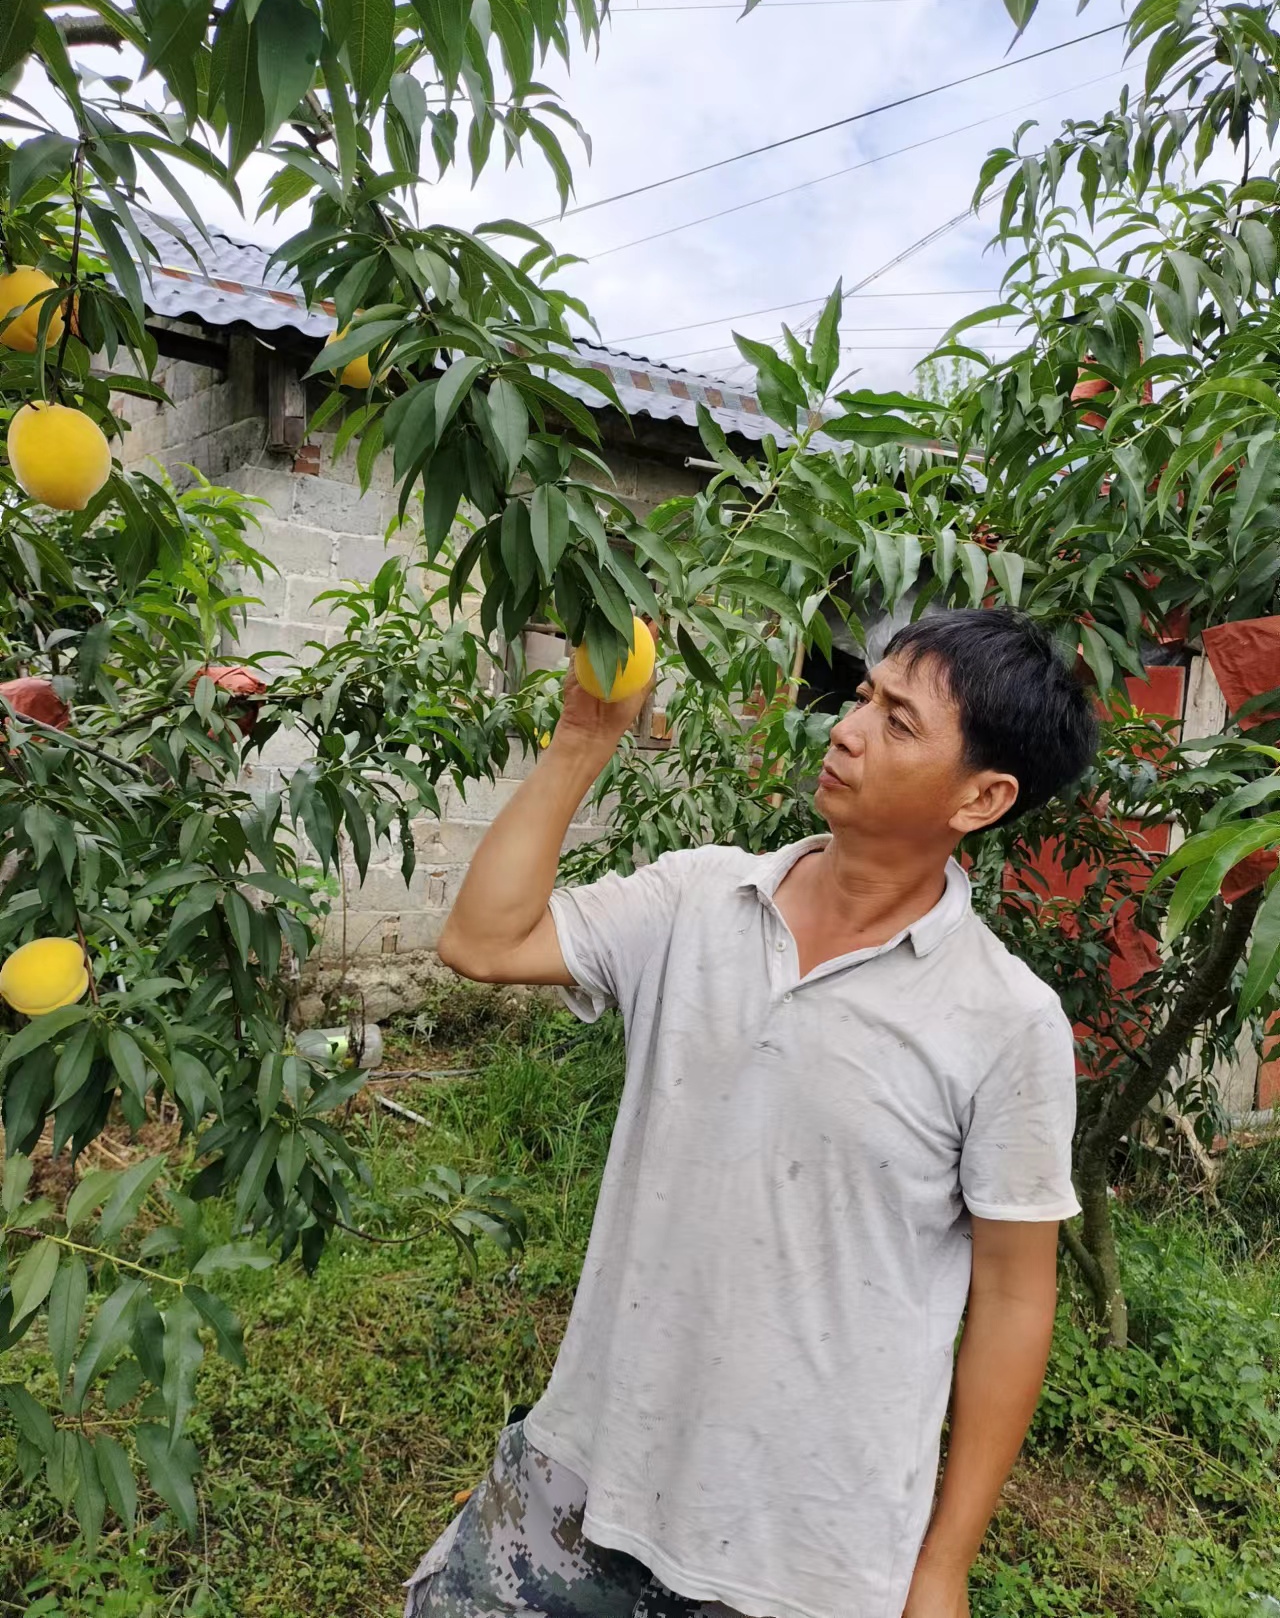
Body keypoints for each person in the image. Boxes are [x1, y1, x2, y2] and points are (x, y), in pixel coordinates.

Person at [404, 607, 1098, 1618]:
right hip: (583, 1471)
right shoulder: (698, 899)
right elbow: (481, 938)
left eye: (898, 722)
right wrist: (581, 743)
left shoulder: (1002, 1020)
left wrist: (942, 1563)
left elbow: (1011, 1298)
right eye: (862, 694)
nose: (847, 728)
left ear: (982, 795)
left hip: (798, 1551)